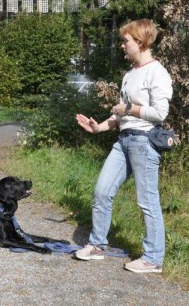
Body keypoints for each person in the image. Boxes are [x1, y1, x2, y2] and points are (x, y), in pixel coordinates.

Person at [74, 19, 173, 273]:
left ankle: (153, 259)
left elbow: (160, 112)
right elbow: (120, 118)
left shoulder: (157, 72)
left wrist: (129, 108)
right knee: (101, 191)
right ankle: (97, 245)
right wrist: (99, 128)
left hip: (144, 142)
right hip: (124, 141)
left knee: (147, 201)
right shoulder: (129, 75)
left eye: (125, 41)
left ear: (140, 42)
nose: (122, 45)